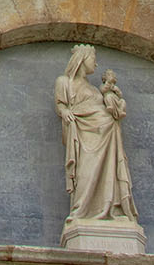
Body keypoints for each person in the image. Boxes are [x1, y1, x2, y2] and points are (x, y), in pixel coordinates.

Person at [55, 45, 137, 222]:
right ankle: (81, 210)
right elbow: (61, 104)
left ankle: (111, 207)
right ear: (82, 59)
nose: (96, 63)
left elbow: (104, 105)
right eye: (93, 59)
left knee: (109, 170)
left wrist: (111, 94)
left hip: (108, 133)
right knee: (86, 169)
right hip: (85, 134)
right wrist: (64, 112)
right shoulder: (64, 81)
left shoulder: (94, 89)